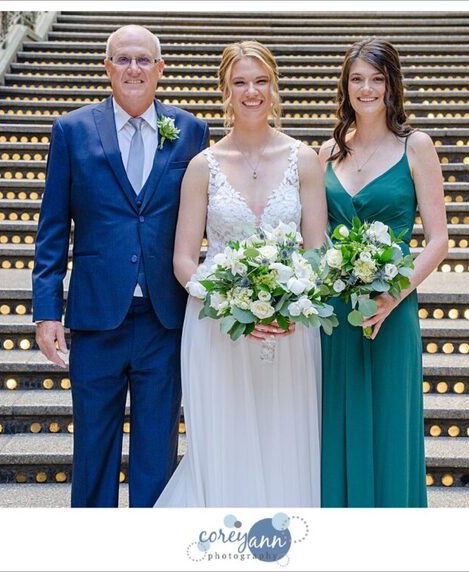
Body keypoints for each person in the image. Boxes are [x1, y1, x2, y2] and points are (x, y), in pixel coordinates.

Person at [32, 25, 209, 507]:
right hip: (95, 317)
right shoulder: (71, 131)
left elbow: (206, 219)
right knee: (93, 449)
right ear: (107, 68)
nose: (134, 68)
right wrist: (47, 311)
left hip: (164, 317)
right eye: (124, 59)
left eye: (144, 60)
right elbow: (52, 229)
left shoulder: (191, 131)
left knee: (158, 450)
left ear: (160, 69)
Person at [154, 40, 328, 507]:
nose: (251, 92)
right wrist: (229, 305)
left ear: (274, 88)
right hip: (218, 328)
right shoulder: (202, 166)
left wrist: (292, 301)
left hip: (290, 327)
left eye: (260, 81)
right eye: (240, 83)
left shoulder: (304, 160)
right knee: (225, 438)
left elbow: (317, 251)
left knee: (285, 436)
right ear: (225, 92)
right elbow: (184, 260)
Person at [318, 39, 448, 507]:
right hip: (335, 315)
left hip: (393, 310)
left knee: (392, 426)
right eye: (357, 79)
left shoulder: (416, 146)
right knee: (338, 423)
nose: (366, 88)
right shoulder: (326, 153)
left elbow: (438, 240)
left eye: (376, 78)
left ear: (392, 85)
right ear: (345, 86)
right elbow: (315, 239)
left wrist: (392, 294)